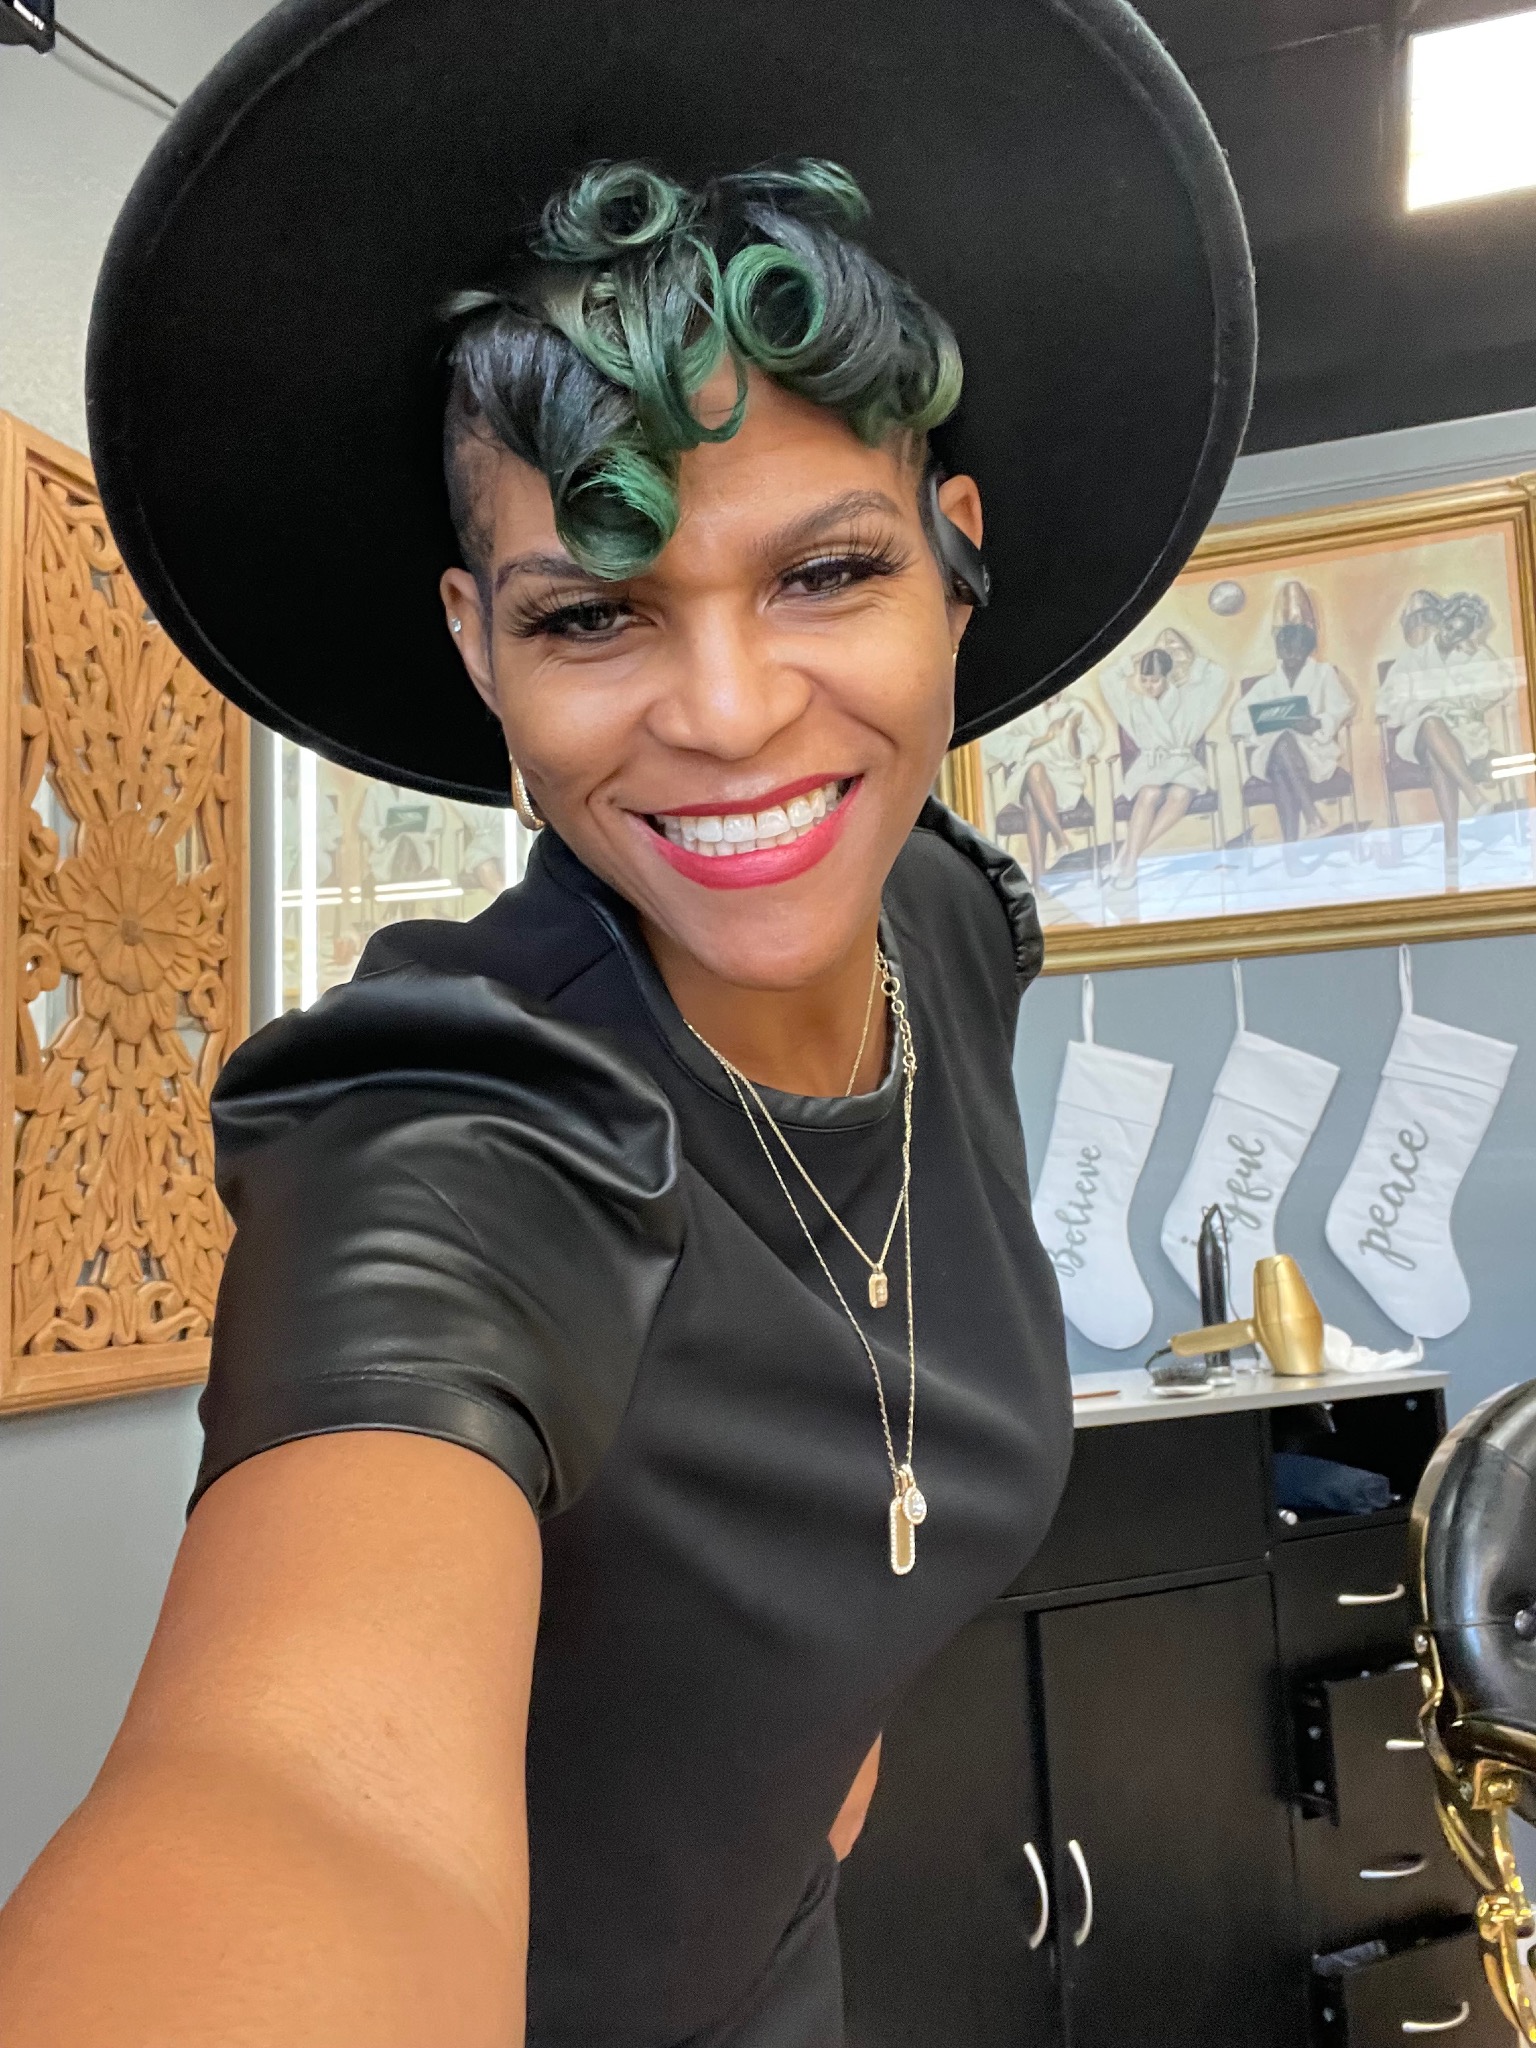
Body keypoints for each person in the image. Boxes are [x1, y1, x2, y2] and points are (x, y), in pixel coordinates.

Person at [0, 3, 1254, 2043]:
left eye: (824, 572)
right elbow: (292, 1793)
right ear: (478, 645)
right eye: (594, 613)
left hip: (780, 1972)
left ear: (957, 556)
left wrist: (808, 1754)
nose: (731, 714)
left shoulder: (945, 925)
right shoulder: (456, 1123)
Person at [1378, 590, 1515, 849]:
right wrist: (1421, 705)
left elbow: (1499, 686)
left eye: (1460, 633)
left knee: (1437, 758)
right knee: (1431, 722)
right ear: (1442, 621)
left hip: (1462, 734)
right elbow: (1386, 701)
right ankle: (1475, 796)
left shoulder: (1470, 656)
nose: (1451, 635)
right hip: (1418, 733)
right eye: (1450, 627)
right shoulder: (1412, 657)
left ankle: (1452, 847)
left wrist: (1479, 652)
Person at [1098, 625, 1229, 887]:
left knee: (1180, 793)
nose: (1149, 686)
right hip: (1151, 764)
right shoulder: (1134, 704)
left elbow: (1220, 677)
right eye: (1144, 680)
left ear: (1167, 676)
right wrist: (1141, 655)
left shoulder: (1190, 697)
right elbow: (1107, 678)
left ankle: (1127, 857)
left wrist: (1188, 657)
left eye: (1155, 680)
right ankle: (1129, 859)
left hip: (1182, 763)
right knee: (1149, 793)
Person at [1230, 581, 1355, 844]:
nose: (1291, 654)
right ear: (1279, 648)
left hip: (1313, 752)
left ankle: (1292, 847)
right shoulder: (1266, 685)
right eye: (1286, 647)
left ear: (1308, 646)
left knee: (1281, 766)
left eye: (1298, 647)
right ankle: (1313, 819)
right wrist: (1267, 720)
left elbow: (1342, 707)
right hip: (1273, 754)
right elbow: (1238, 720)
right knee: (1283, 744)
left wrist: (1317, 723)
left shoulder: (1324, 674)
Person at [987, 694, 1104, 883]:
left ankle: (1038, 879)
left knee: (1031, 800)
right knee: (1035, 770)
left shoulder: (1075, 708)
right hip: (1025, 774)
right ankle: (1060, 838)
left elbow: (1086, 748)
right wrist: (1044, 738)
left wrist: (1072, 730)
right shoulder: (1018, 706)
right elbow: (993, 743)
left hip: (1063, 778)